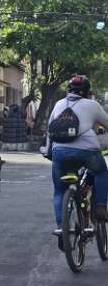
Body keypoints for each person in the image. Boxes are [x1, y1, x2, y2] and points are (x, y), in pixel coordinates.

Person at [47, 75, 108, 246]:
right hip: (87, 151)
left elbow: (49, 130)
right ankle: (101, 207)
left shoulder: (59, 104)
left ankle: (62, 228)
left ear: (68, 91)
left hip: (59, 151)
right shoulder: (92, 105)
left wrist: (48, 152)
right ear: (88, 92)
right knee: (102, 172)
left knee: (59, 190)